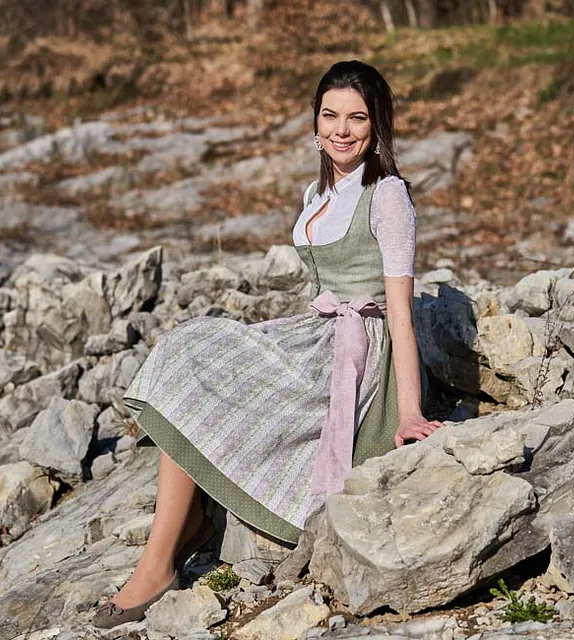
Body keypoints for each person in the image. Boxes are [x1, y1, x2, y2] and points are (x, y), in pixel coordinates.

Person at [92, 59, 443, 629]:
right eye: (330, 115)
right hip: (321, 330)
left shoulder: (387, 196)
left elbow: (400, 314)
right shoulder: (317, 191)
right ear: (315, 121)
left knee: (199, 364)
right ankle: (187, 530)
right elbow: (321, 290)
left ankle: (158, 564)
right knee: (190, 352)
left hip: (362, 356)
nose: (342, 129)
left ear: (378, 127)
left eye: (358, 118)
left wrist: (409, 411)